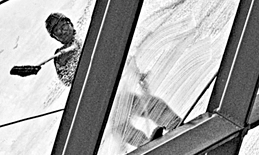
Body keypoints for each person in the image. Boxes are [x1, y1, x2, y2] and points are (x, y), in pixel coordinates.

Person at [45, 12, 182, 146]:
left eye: (63, 26)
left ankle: (173, 122)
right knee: (119, 126)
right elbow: (66, 80)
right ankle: (144, 144)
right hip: (97, 97)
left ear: (70, 23)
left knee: (142, 105)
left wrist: (138, 75)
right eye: (57, 31)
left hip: (113, 87)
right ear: (55, 38)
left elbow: (120, 53)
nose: (61, 31)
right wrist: (68, 59)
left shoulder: (90, 36)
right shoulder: (60, 55)